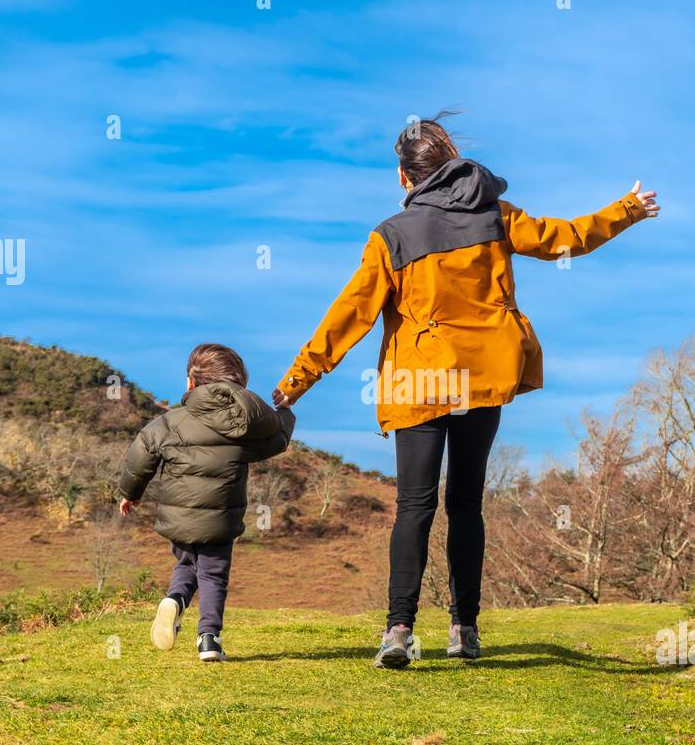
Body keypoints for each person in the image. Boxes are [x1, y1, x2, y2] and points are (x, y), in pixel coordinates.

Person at [272, 113, 658, 668]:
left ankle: (399, 630)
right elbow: (564, 240)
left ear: (407, 178)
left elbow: (348, 317)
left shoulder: (392, 236)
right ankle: (464, 629)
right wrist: (625, 209)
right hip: (482, 377)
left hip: (420, 382)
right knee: (466, 504)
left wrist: (293, 385)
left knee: (414, 505)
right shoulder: (495, 215)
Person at [119, 343, 294, 661]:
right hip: (221, 519)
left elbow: (140, 454)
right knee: (213, 574)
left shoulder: (171, 422)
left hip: (178, 517)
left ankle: (174, 600)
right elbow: (278, 440)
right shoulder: (240, 429)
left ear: (190, 382)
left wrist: (131, 493)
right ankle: (209, 640)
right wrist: (284, 411)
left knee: (186, 565)